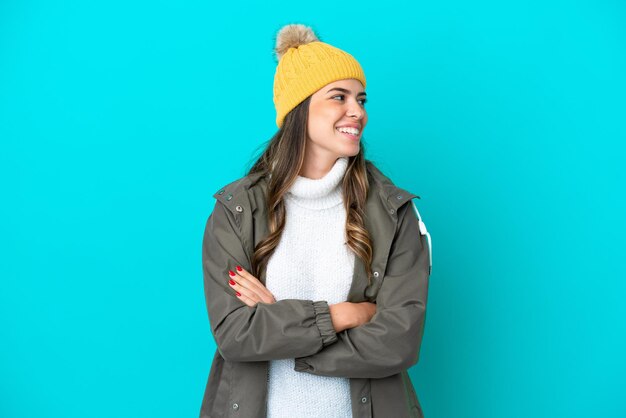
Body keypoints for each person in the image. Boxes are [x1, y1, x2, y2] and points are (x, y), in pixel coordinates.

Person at [200, 23, 432, 418]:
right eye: (338, 97)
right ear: (299, 108)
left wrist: (283, 328)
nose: (357, 112)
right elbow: (236, 336)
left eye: (361, 99)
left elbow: (398, 340)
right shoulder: (236, 210)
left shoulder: (394, 211)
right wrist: (342, 315)